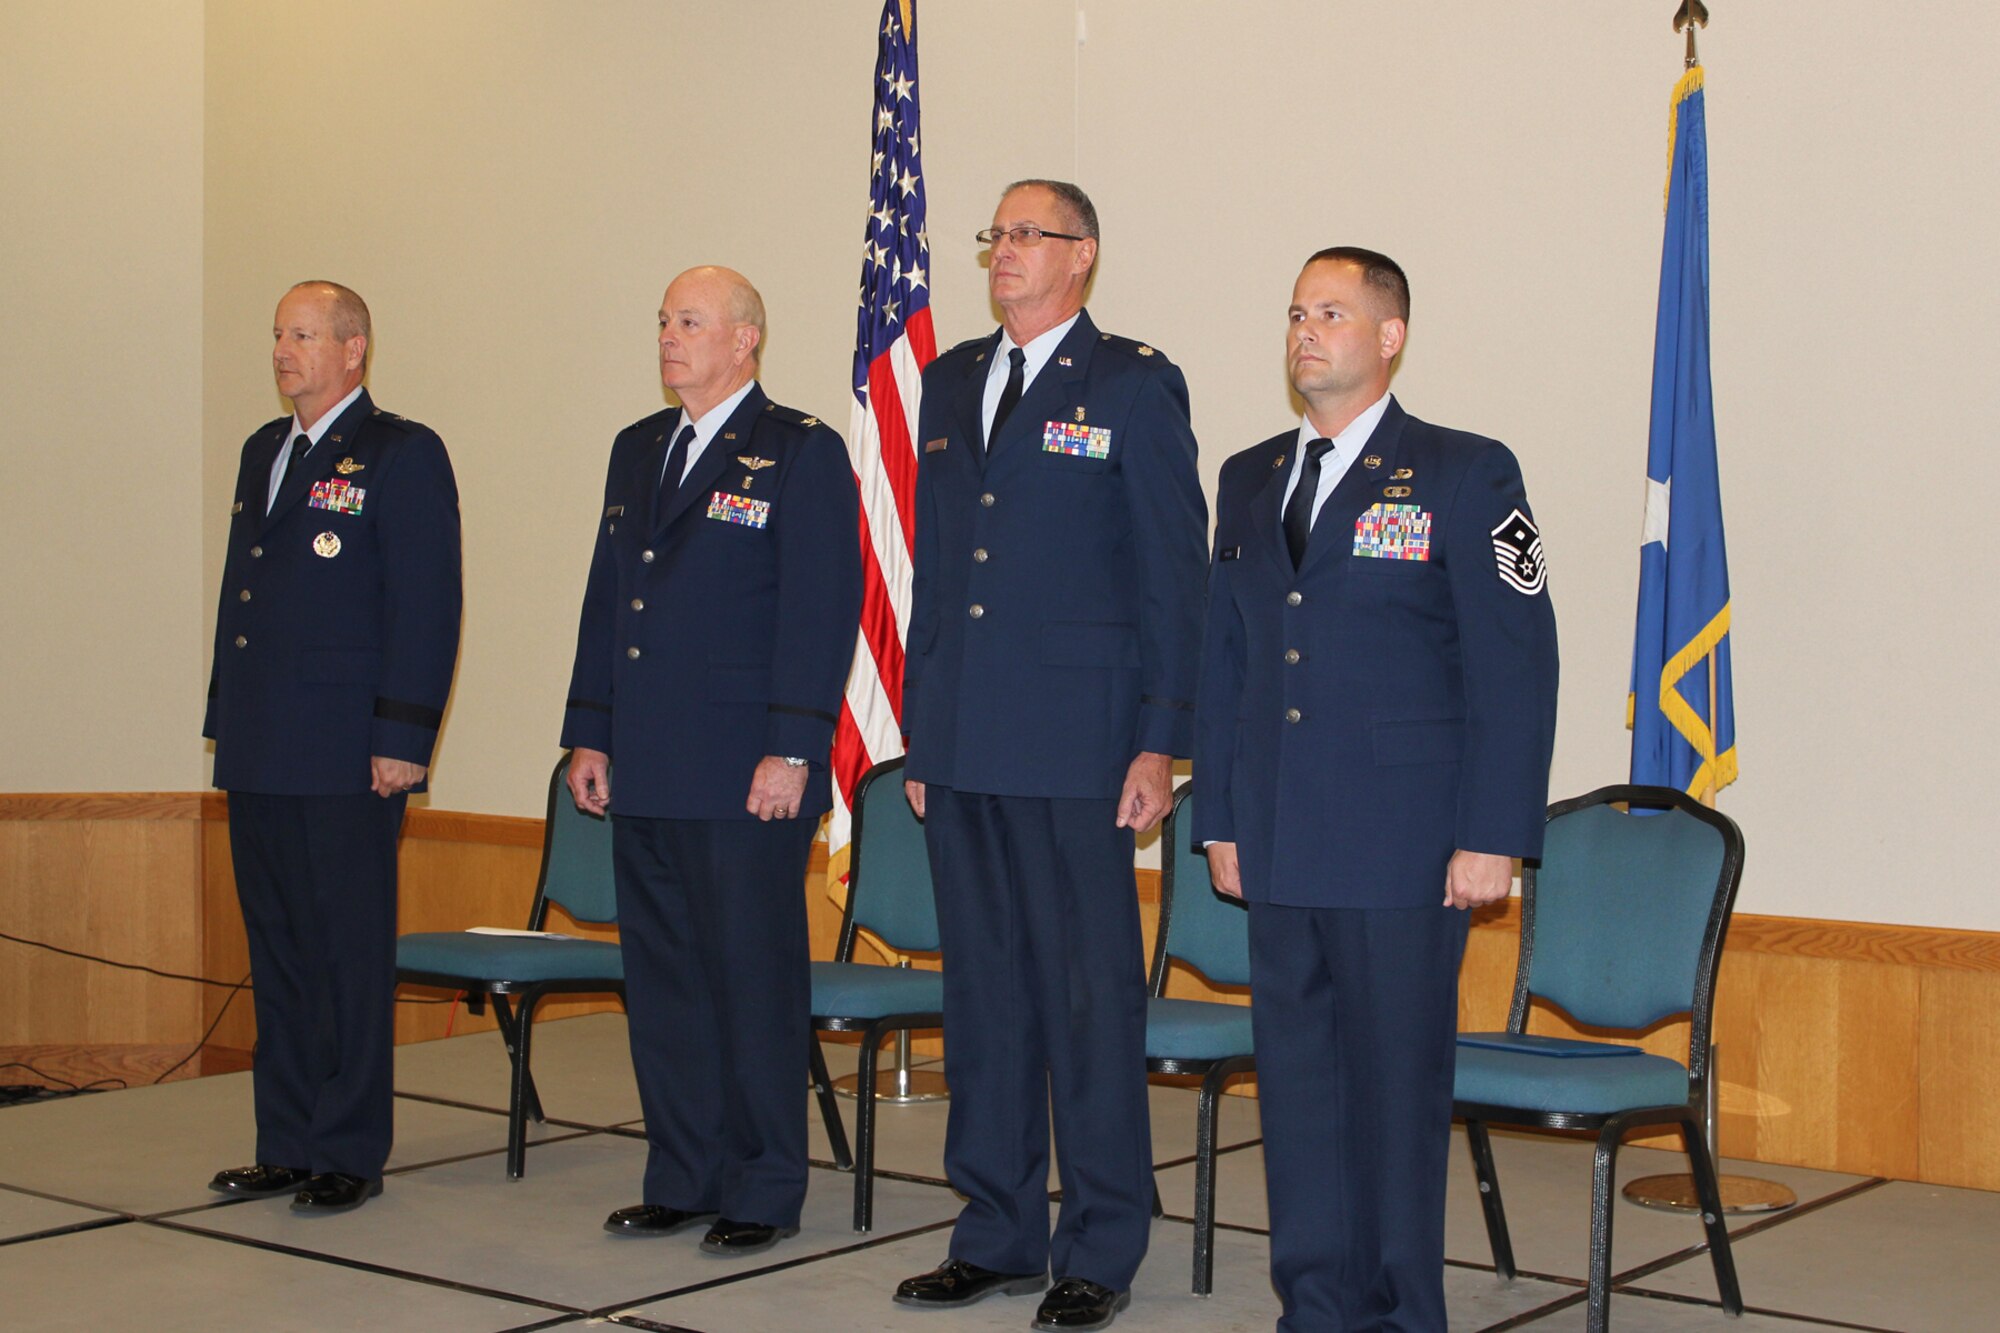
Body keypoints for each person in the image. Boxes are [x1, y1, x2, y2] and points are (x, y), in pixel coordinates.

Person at [1193, 248, 1559, 1329]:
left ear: (1388, 335)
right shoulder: (1248, 478)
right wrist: (1217, 815)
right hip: (1277, 836)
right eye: (1297, 313)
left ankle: (1403, 1312)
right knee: (1297, 1092)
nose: (1307, 332)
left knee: (1395, 1096)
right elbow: (1227, 660)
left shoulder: (1463, 471)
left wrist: (1492, 831)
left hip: (1404, 842)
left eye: (1333, 313)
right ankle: (1315, 1302)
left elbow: (1514, 663)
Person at [893, 181, 1208, 1331]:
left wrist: (1159, 739)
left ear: (1080, 256)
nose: (1003, 252)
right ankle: (993, 1231)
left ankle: (1101, 1240)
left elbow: (1175, 573)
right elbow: (937, 572)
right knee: (981, 999)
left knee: (1085, 1004)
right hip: (967, 736)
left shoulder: (1128, 381)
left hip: (1080, 745)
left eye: (1027, 235)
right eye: (995, 235)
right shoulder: (952, 379)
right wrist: (925, 730)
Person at [561, 266, 861, 1257]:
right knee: (665, 982)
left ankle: (763, 1183)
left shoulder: (796, 452)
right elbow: (610, 601)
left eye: (689, 321)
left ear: (745, 341)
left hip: (747, 769)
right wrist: (589, 726)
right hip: (647, 757)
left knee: (750, 979)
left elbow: (821, 607)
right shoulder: (637, 449)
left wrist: (792, 745)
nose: (668, 336)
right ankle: (681, 1174)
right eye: (661, 321)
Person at [205, 281, 462, 1214]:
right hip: (262, 742)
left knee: (346, 954)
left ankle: (347, 1147)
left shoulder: (400, 452)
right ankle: (286, 1138)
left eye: (304, 335)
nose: (284, 350)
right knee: (277, 949)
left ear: (353, 350)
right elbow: (247, 595)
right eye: (278, 333)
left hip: (351, 751)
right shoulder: (264, 451)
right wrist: (224, 714)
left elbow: (426, 606)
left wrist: (403, 738)